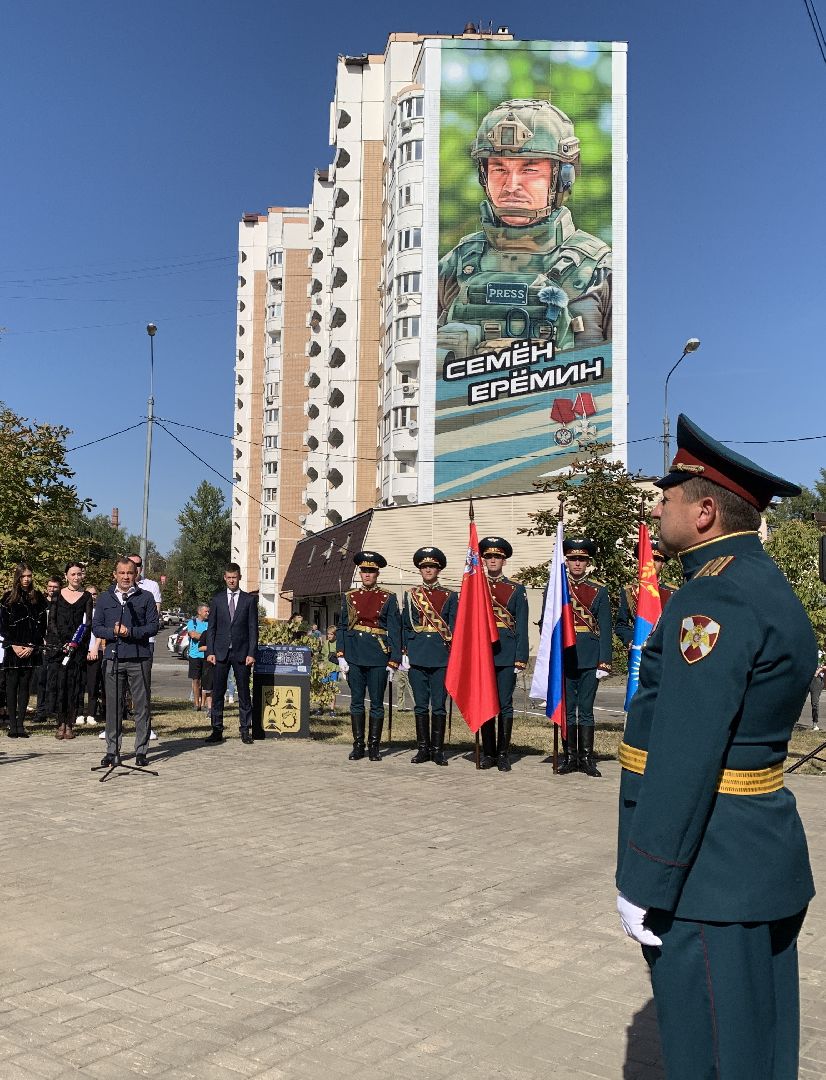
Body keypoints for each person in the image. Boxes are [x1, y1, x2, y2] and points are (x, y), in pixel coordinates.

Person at [615, 414, 816, 1080]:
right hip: (755, 859)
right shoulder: (762, 583)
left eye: (667, 496)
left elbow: (686, 751)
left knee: (712, 1054)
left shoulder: (714, 599)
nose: (658, 504)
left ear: (704, 511)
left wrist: (645, 878)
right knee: (760, 1045)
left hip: (708, 874)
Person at [438, 98, 611, 358]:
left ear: (563, 177)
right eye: (499, 169)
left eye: (529, 169)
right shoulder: (456, 263)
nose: (511, 186)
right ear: (483, 177)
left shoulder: (599, 270)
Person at [336, 551, 401, 762]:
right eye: (364, 570)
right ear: (359, 572)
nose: (367, 575)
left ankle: (374, 746)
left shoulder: (388, 598)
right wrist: (341, 655)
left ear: (377, 573)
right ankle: (358, 745)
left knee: (376, 703)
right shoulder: (349, 597)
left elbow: (395, 629)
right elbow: (343, 627)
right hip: (354, 655)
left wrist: (394, 660)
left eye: (371, 571)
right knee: (356, 702)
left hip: (378, 656)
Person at [93, 558, 158, 766]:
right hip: (114, 658)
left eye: (129, 573)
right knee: (113, 706)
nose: (126, 577)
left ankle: (141, 751)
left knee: (141, 706)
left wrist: (130, 632)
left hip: (139, 658)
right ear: (115, 575)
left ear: (135, 574)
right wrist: (112, 632)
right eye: (122, 573)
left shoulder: (145, 597)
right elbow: (96, 627)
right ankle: (112, 750)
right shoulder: (105, 598)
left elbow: (153, 627)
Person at [560, 538, 612, 778]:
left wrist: (604, 661)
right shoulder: (558, 589)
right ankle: (570, 758)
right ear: (567, 561)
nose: (577, 563)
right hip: (565, 657)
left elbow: (605, 628)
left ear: (588, 562)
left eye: (581, 559)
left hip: (590, 658)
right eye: (573, 559)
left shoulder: (599, 590)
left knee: (587, 710)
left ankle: (587, 759)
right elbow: (548, 625)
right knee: (568, 710)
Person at [401, 547, 458, 766]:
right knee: (420, 705)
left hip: (441, 657)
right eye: (424, 567)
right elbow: (406, 626)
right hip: (417, 655)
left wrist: (453, 655)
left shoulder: (450, 596)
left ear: (439, 569)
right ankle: (423, 749)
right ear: (419, 569)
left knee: (439, 705)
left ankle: (438, 750)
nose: (428, 570)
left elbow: (455, 627)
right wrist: (404, 651)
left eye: (432, 567)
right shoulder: (411, 594)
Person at [478, 537, 529, 772]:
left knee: (504, 704)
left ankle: (503, 753)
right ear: (483, 560)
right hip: (482, 654)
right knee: (486, 704)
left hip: (506, 654)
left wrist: (521, 657)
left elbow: (522, 626)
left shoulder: (516, 589)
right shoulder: (475, 587)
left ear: (504, 560)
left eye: (497, 557)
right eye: (488, 556)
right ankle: (487, 753)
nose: (492, 560)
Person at [204, 563, 258, 745]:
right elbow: (211, 628)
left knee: (244, 693)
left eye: (234, 577)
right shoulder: (217, 600)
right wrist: (210, 651)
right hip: (220, 653)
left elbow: (253, 629)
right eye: (228, 577)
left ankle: (245, 730)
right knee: (218, 692)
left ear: (239, 577)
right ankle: (216, 730)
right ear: (224, 578)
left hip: (242, 653)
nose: (232, 580)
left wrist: (252, 652)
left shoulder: (249, 600)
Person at [46, 562, 93, 740]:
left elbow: (88, 623)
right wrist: (61, 643)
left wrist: (76, 642)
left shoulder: (87, 596)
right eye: (72, 574)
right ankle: (60, 723)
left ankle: (70, 723)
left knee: (73, 686)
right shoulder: (58, 595)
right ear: (66, 576)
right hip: (59, 648)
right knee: (60, 685)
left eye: (79, 574)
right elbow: (51, 621)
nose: (76, 577)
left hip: (77, 648)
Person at [0, 563, 47, 739]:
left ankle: (21, 724)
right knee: (12, 685)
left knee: (25, 686)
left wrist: (32, 646)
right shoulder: (7, 599)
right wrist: (13, 645)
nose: (26, 579)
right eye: (23, 576)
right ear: (18, 578)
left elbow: (42, 626)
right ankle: (12, 725)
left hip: (30, 649)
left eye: (29, 576)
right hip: (13, 649)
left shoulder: (38, 599)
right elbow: (3, 626)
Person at [614, 541, 676, 650]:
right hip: (638, 651)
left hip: (664, 652)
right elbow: (621, 625)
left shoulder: (672, 593)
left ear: (663, 564)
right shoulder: (629, 592)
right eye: (648, 559)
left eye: (657, 560)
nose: (652, 563)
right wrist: (631, 640)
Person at [128, 554, 161, 740]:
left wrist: (133, 630)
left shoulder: (151, 586)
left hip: (145, 642)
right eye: (132, 565)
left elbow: (153, 617)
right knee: (120, 686)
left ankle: (146, 726)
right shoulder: (119, 587)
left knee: (143, 685)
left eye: (138, 565)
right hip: (123, 643)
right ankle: (115, 725)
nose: (135, 568)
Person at [34, 575, 61, 723]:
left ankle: (54, 710)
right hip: (42, 646)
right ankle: (41, 712)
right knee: (41, 680)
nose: (52, 589)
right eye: (50, 586)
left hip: (57, 646)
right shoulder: (41, 603)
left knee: (55, 679)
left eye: (55, 587)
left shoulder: (62, 603)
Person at [78, 584, 103, 726]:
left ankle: (92, 714)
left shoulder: (98, 612)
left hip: (95, 651)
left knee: (93, 685)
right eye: (89, 594)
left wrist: (95, 649)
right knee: (80, 684)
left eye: (94, 594)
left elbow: (99, 633)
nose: (92, 596)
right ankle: (79, 713)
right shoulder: (79, 611)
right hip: (80, 652)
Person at [186, 604, 210, 711]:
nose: (207, 613)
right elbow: (193, 635)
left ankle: (204, 704)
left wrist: (201, 636)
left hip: (206, 655)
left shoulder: (209, 624)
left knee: (206, 681)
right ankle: (196, 704)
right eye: (206, 611)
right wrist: (205, 636)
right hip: (194, 655)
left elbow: (212, 636)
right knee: (196, 680)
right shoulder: (192, 622)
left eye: (208, 612)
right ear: (199, 612)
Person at [809, 650, 825, 732]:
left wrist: (819, 670)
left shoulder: (823, 653)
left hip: (817, 679)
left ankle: (815, 724)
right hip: (806, 677)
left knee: (814, 702)